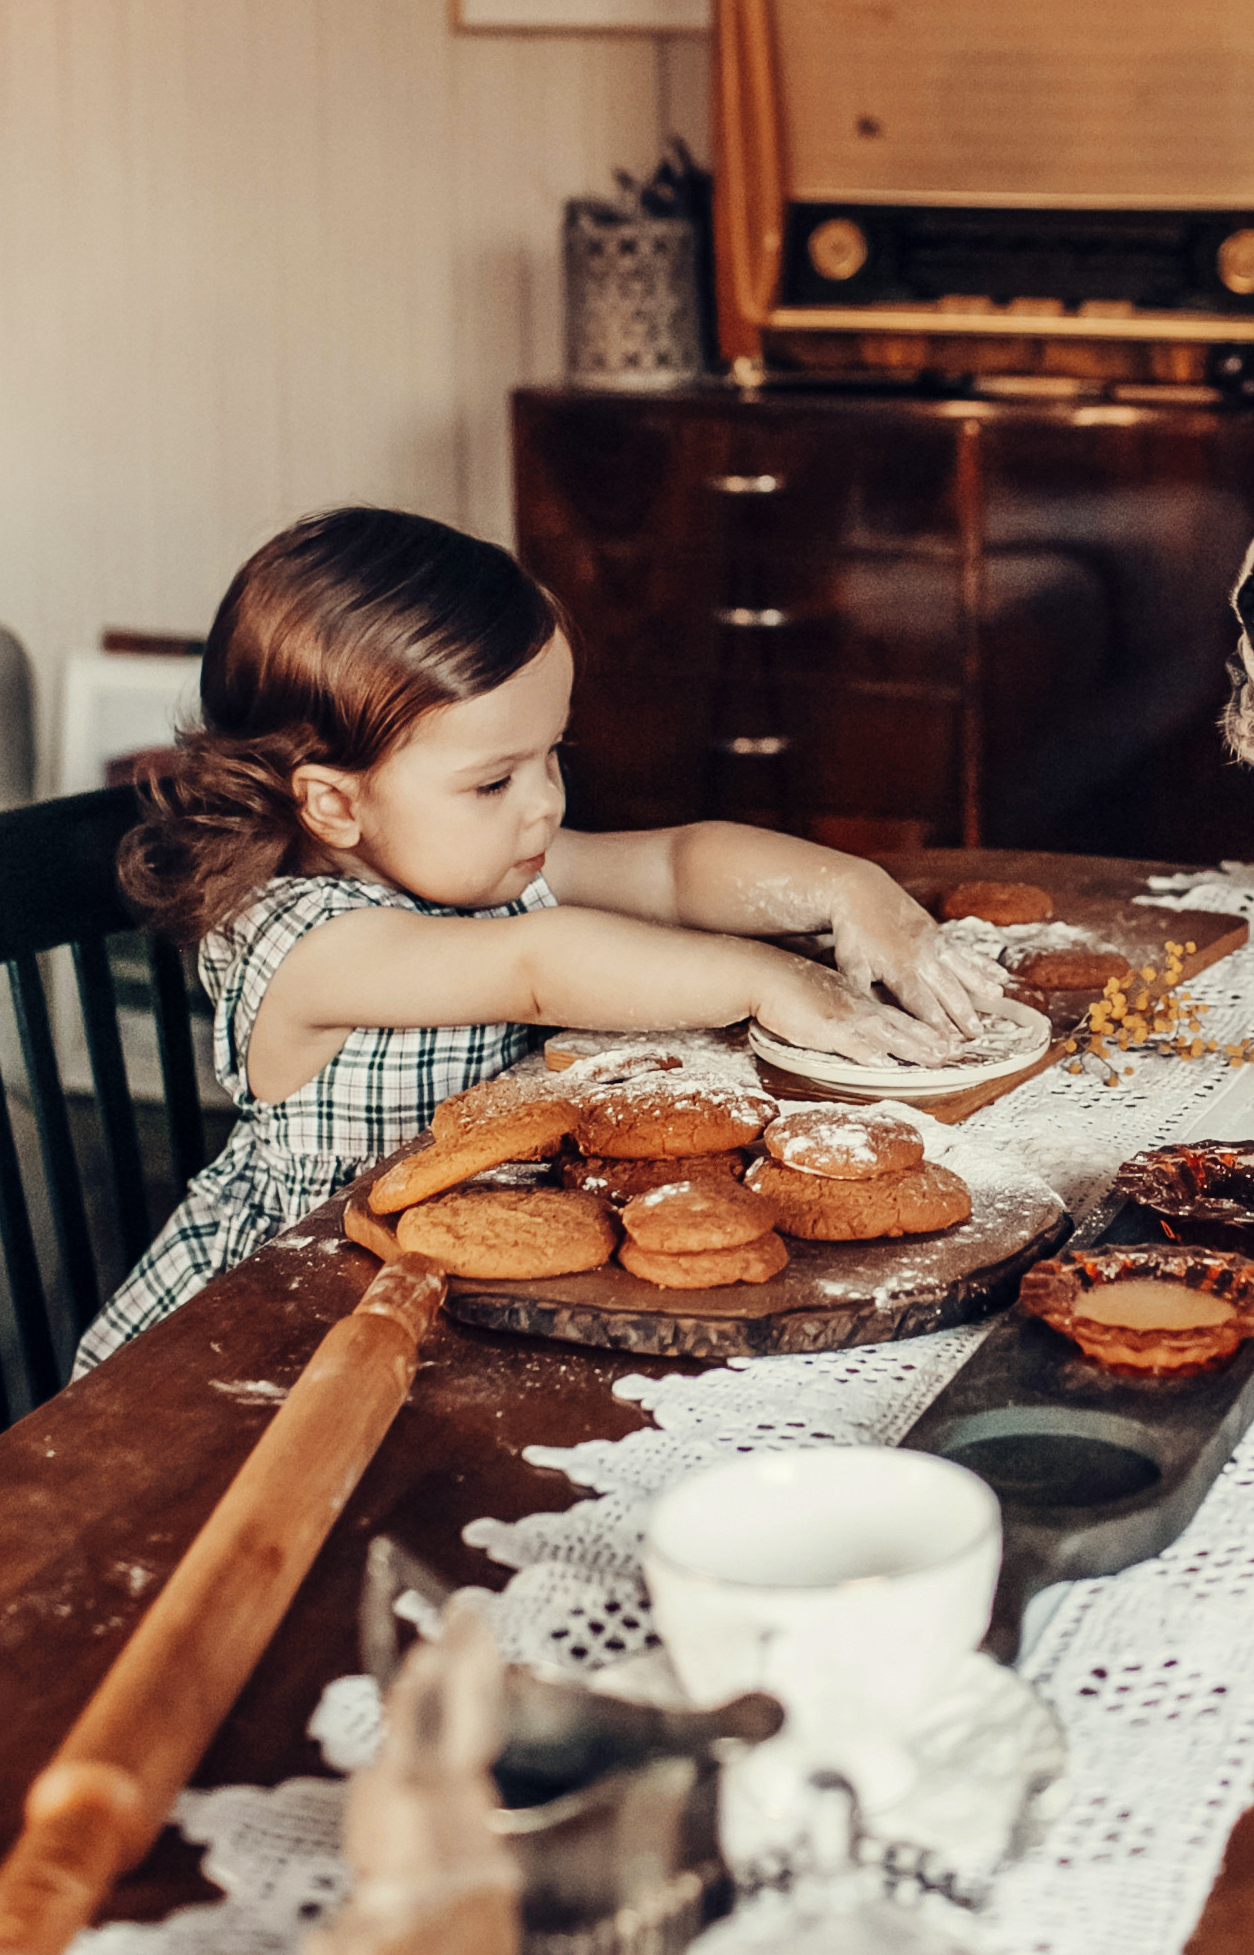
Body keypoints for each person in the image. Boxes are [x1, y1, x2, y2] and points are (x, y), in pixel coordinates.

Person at [71, 505, 1006, 1368]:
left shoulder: (477, 860)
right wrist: (773, 982)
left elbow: (677, 865)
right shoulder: (307, 947)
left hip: (464, 1278)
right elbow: (536, 968)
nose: (545, 803)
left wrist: (852, 886)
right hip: (289, 1315)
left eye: (551, 753)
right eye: (494, 781)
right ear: (333, 801)